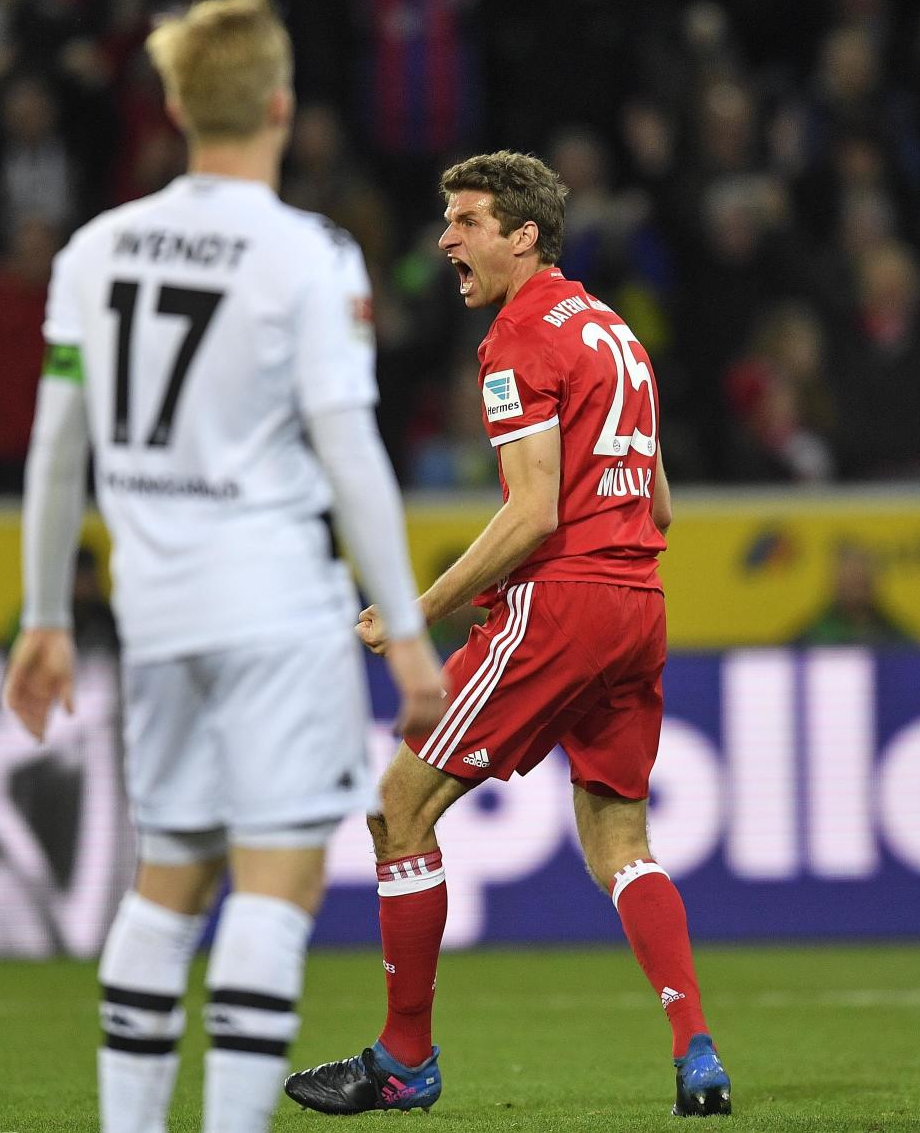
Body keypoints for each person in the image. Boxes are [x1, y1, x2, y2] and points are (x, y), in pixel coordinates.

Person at [2, 0, 445, 1133]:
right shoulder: (310, 254)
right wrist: (405, 627)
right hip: (274, 606)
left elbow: (59, 447)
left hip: (156, 615)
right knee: (276, 883)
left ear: (181, 107)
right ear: (282, 106)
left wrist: (45, 613)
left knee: (170, 882)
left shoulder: (95, 249)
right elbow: (349, 451)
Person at [284, 150, 731, 1118]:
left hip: (560, 603)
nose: (447, 238)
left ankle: (404, 1059)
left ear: (523, 235)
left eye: (468, 220)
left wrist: (419, 606)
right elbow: (656, 504)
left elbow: (532, 513)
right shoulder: (615, 332)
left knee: (399, 806)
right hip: (637, 606)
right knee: (619, 836)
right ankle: (696, 1047)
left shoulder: (518, 337)